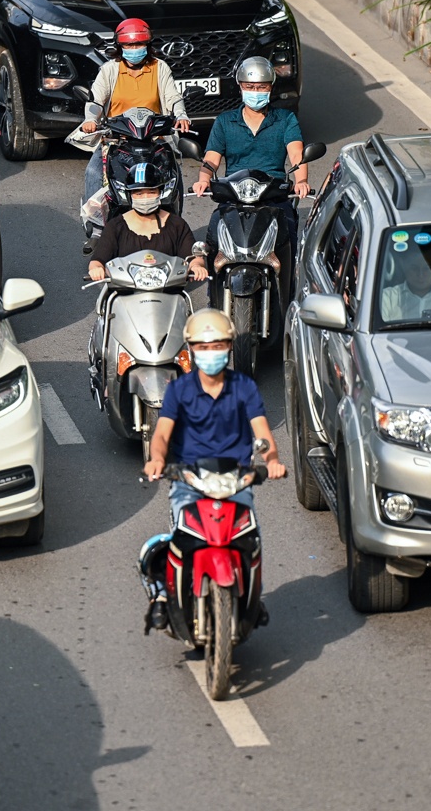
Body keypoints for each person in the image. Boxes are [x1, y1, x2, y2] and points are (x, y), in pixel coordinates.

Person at [137, 309, 286, 630]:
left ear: (230, 347)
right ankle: (164, 593)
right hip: (189, 479)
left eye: (217, 345)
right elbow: (162, 433)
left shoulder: (244, 387)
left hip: (236, 479)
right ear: (191, 349)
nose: (210, 353)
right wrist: (157, 458)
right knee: (179, 538)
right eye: (202, 347)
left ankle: (251, 597)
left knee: (250, 539)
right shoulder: (179, 390)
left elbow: (261, 431)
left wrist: (271, 461)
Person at [78, 18, 191, 235]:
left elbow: (173, 97)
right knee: (93, 171)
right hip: (117, 138)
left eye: (139, 45)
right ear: (119, 47)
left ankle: (177, 226)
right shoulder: (109, 70)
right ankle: (96, 226)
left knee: (174, 173)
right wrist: (90, 120)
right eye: (129, 45)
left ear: (148, 46)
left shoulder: (160, 68)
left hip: (154, 137)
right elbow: (95, 101)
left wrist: (181, 115)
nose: (134, 49)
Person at [193, 56, 308, 264]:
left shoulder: (286, 119)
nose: (255, 92)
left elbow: (296, 154)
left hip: (273, 194)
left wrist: (301, 181)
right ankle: (215, 292)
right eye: (250, 86)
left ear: (271, 88)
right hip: (233, 195)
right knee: (213, 234)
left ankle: (288, 292)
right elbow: (211, 157)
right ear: (240, 87)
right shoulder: (225, 121)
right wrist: (204, 178)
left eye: (261, 87)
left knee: (289, 235)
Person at [88, 162, 208, 282]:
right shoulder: (115, 227)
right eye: (139, 193)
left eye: (151, 192)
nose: (145, 198)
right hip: (124, 294)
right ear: (129, 195)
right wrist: (97, 269)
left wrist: (197, 266)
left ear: (160, 193)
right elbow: (97, 260)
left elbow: (193, 257)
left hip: (168, 294)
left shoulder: (177, 225)